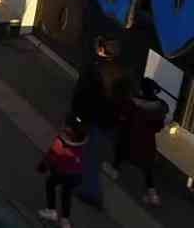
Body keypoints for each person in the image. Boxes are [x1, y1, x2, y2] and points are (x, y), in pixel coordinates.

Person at [70, 35, 130, 206]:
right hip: (109, 122)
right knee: (94, 156)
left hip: (94, 119)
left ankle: (90, 192)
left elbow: (83, 94)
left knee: (89, 156)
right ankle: (87, 187)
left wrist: (76, 114)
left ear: (102, 49)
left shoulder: (95, 70)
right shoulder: (120, 72)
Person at [116, 78, 169, 206]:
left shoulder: (133, 103)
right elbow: (158, 127)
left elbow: (124, 117)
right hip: (148, 141)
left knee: (121, 152)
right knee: (147, 168)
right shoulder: (158, 107)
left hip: (131, 136)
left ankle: (114, 170)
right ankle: (153, 195)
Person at [37, 115, 87, 227]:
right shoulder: (82, 141)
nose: (63, 126)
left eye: (66, 125)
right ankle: (65, 220)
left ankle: (51, 211)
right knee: (66, 193)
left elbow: (52, 156)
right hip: (76, 174)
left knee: (50, 184)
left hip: (62, 172)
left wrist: (43, 166)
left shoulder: (62, 141)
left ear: (70, 129)